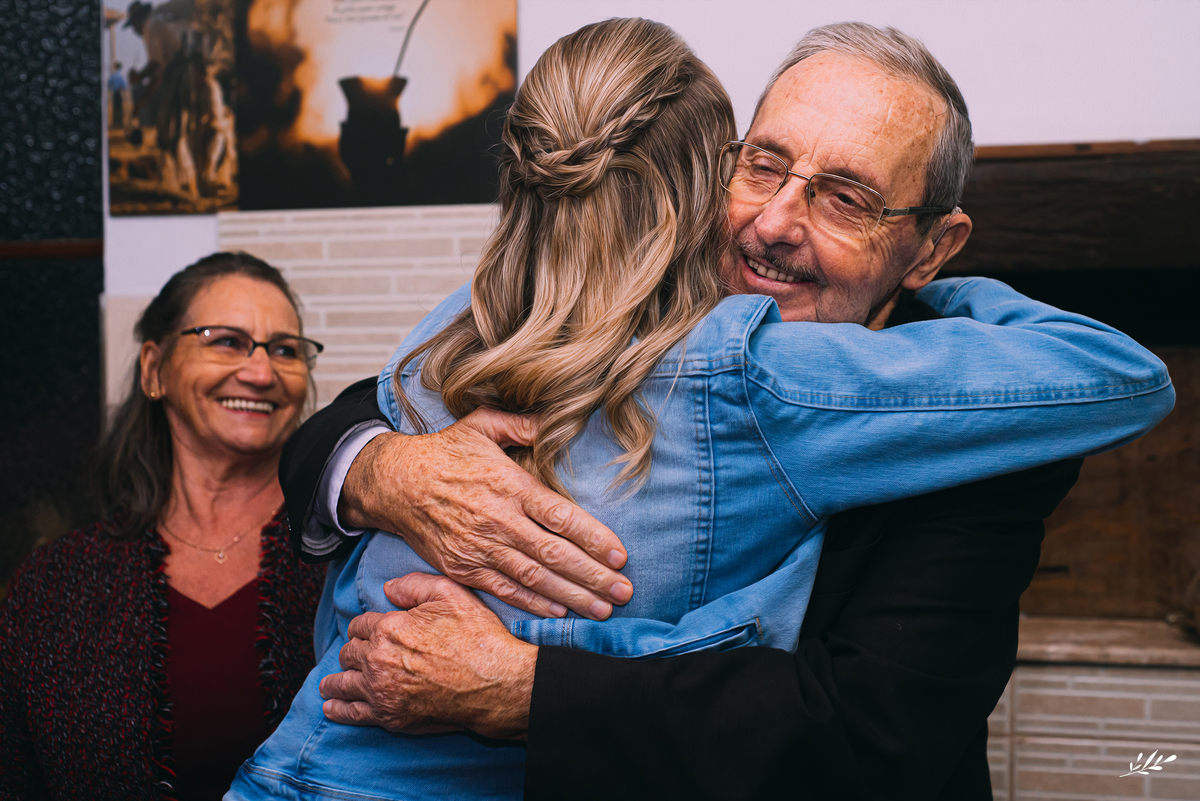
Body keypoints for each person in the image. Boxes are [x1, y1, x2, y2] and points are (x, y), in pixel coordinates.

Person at [233, 18, 1171, 801]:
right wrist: (381, 467)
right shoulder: (576, 319)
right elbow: (353, 418)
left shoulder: (983, 423)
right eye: (762, 166)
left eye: (845, 199)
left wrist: (523, 687)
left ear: (931, 247)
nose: (773, 223)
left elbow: (870, 739)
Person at [0, 253, 326, 801]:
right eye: (226, 340)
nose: (262, 372)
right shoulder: (55, 583)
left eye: (285, 350)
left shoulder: (345, 558)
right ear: (154, 369)